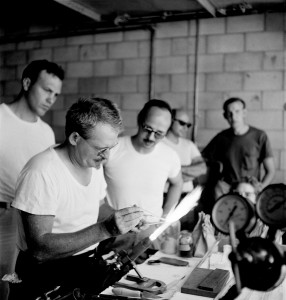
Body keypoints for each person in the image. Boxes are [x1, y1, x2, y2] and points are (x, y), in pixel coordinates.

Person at [7, 97, 147, 300]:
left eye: (111, 148)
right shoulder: (41, 171)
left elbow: (97, 207)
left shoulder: (92, 162)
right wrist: (106, 229)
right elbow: (40, 250)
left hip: (84, 264)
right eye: (101, 149)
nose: (106, 157)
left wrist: (124, 220)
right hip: (45, 275)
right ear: (75, 138)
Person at [0, 59, 65, 300]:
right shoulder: (1, 118)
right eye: (47, 90)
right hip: (1, 214)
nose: (51, 99)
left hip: (27, 220)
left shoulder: (45, 132)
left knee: (14, 288)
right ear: (27, 83)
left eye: (56, 94)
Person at [99, 99, 183, 256]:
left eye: (159, 134)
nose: (151, 138)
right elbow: (92, 190)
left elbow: (177, 183)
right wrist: (111, 217)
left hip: (150, 234)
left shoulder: (169, 156)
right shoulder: (114, 148)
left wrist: (164, 217)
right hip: (115, 232)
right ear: (140, 120)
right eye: (147, 129)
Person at [202, 97, 275, 201]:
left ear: (244, 113)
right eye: (229, 113)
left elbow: (271, 170)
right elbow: (203, 158)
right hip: (225, 190)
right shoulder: (221, 138)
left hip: (248, 190)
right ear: (225, 116)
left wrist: (260, 188)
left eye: (237, 111)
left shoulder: (259, 136)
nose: (234, 116)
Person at [163, 108, 207, 231]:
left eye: (188, 125)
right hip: (166, 197)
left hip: (187, 198)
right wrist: (189, 172)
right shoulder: (160, 143)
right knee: (166, 236)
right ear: (171, 121)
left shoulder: (189, 145)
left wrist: (174, 172)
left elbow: (202, 168)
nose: (185, 128)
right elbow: (161, 171)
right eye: (182, 123)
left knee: (186, 237)